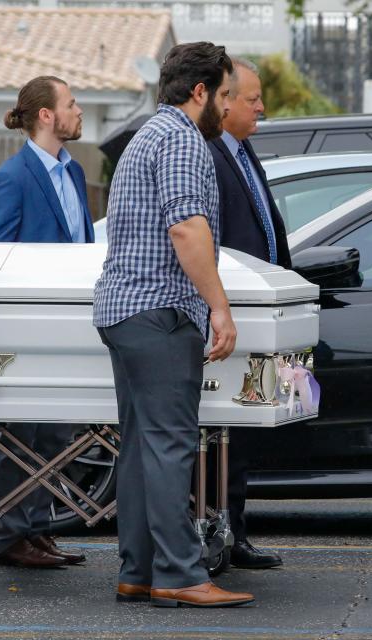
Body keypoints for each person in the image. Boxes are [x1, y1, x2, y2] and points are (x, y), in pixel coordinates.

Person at [92, 41, 254, 607]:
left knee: (142, 447)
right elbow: (187, 229)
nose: (230, 106)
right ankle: (181, 575)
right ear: (201, 91)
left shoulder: (148, 135)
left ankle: (138, 569)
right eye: (227, 94)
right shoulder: (184, 141)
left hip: (125, 311)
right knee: (169, 447)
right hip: (159, 312)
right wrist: (220, 306)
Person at [0, 75, 93, 569]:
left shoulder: (73, 173)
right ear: (46, 115)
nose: (79, 111)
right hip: (26, 326)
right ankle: (11, 537)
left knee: (57, 435)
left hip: (69, 324)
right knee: (20, 435)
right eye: (71, 104)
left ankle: (39, 529)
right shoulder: (13, 177)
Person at [207, 57, 290, 570]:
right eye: (252, 98)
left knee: (241, 441)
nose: (261, 106)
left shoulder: (244, 152)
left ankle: (235, 531)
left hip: (259, 318)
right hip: (229, 319)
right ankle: (219, 535)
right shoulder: (211, 155)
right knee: (222, 441)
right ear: (225, 99)